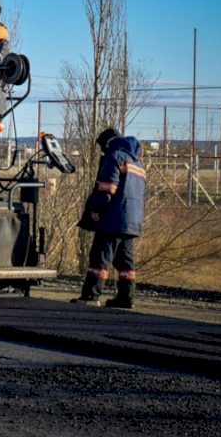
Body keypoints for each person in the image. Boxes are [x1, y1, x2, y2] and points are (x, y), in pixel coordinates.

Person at [72, 128, 146, 309]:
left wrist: (97, 209)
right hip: (132, 221)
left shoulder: (114, 157)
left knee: (100, 257)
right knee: (125, 262)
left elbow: (107, 188)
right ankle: (126, 297)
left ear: (107, 143)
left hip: (113, 219)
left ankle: (90, 295)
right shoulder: (137, 163)